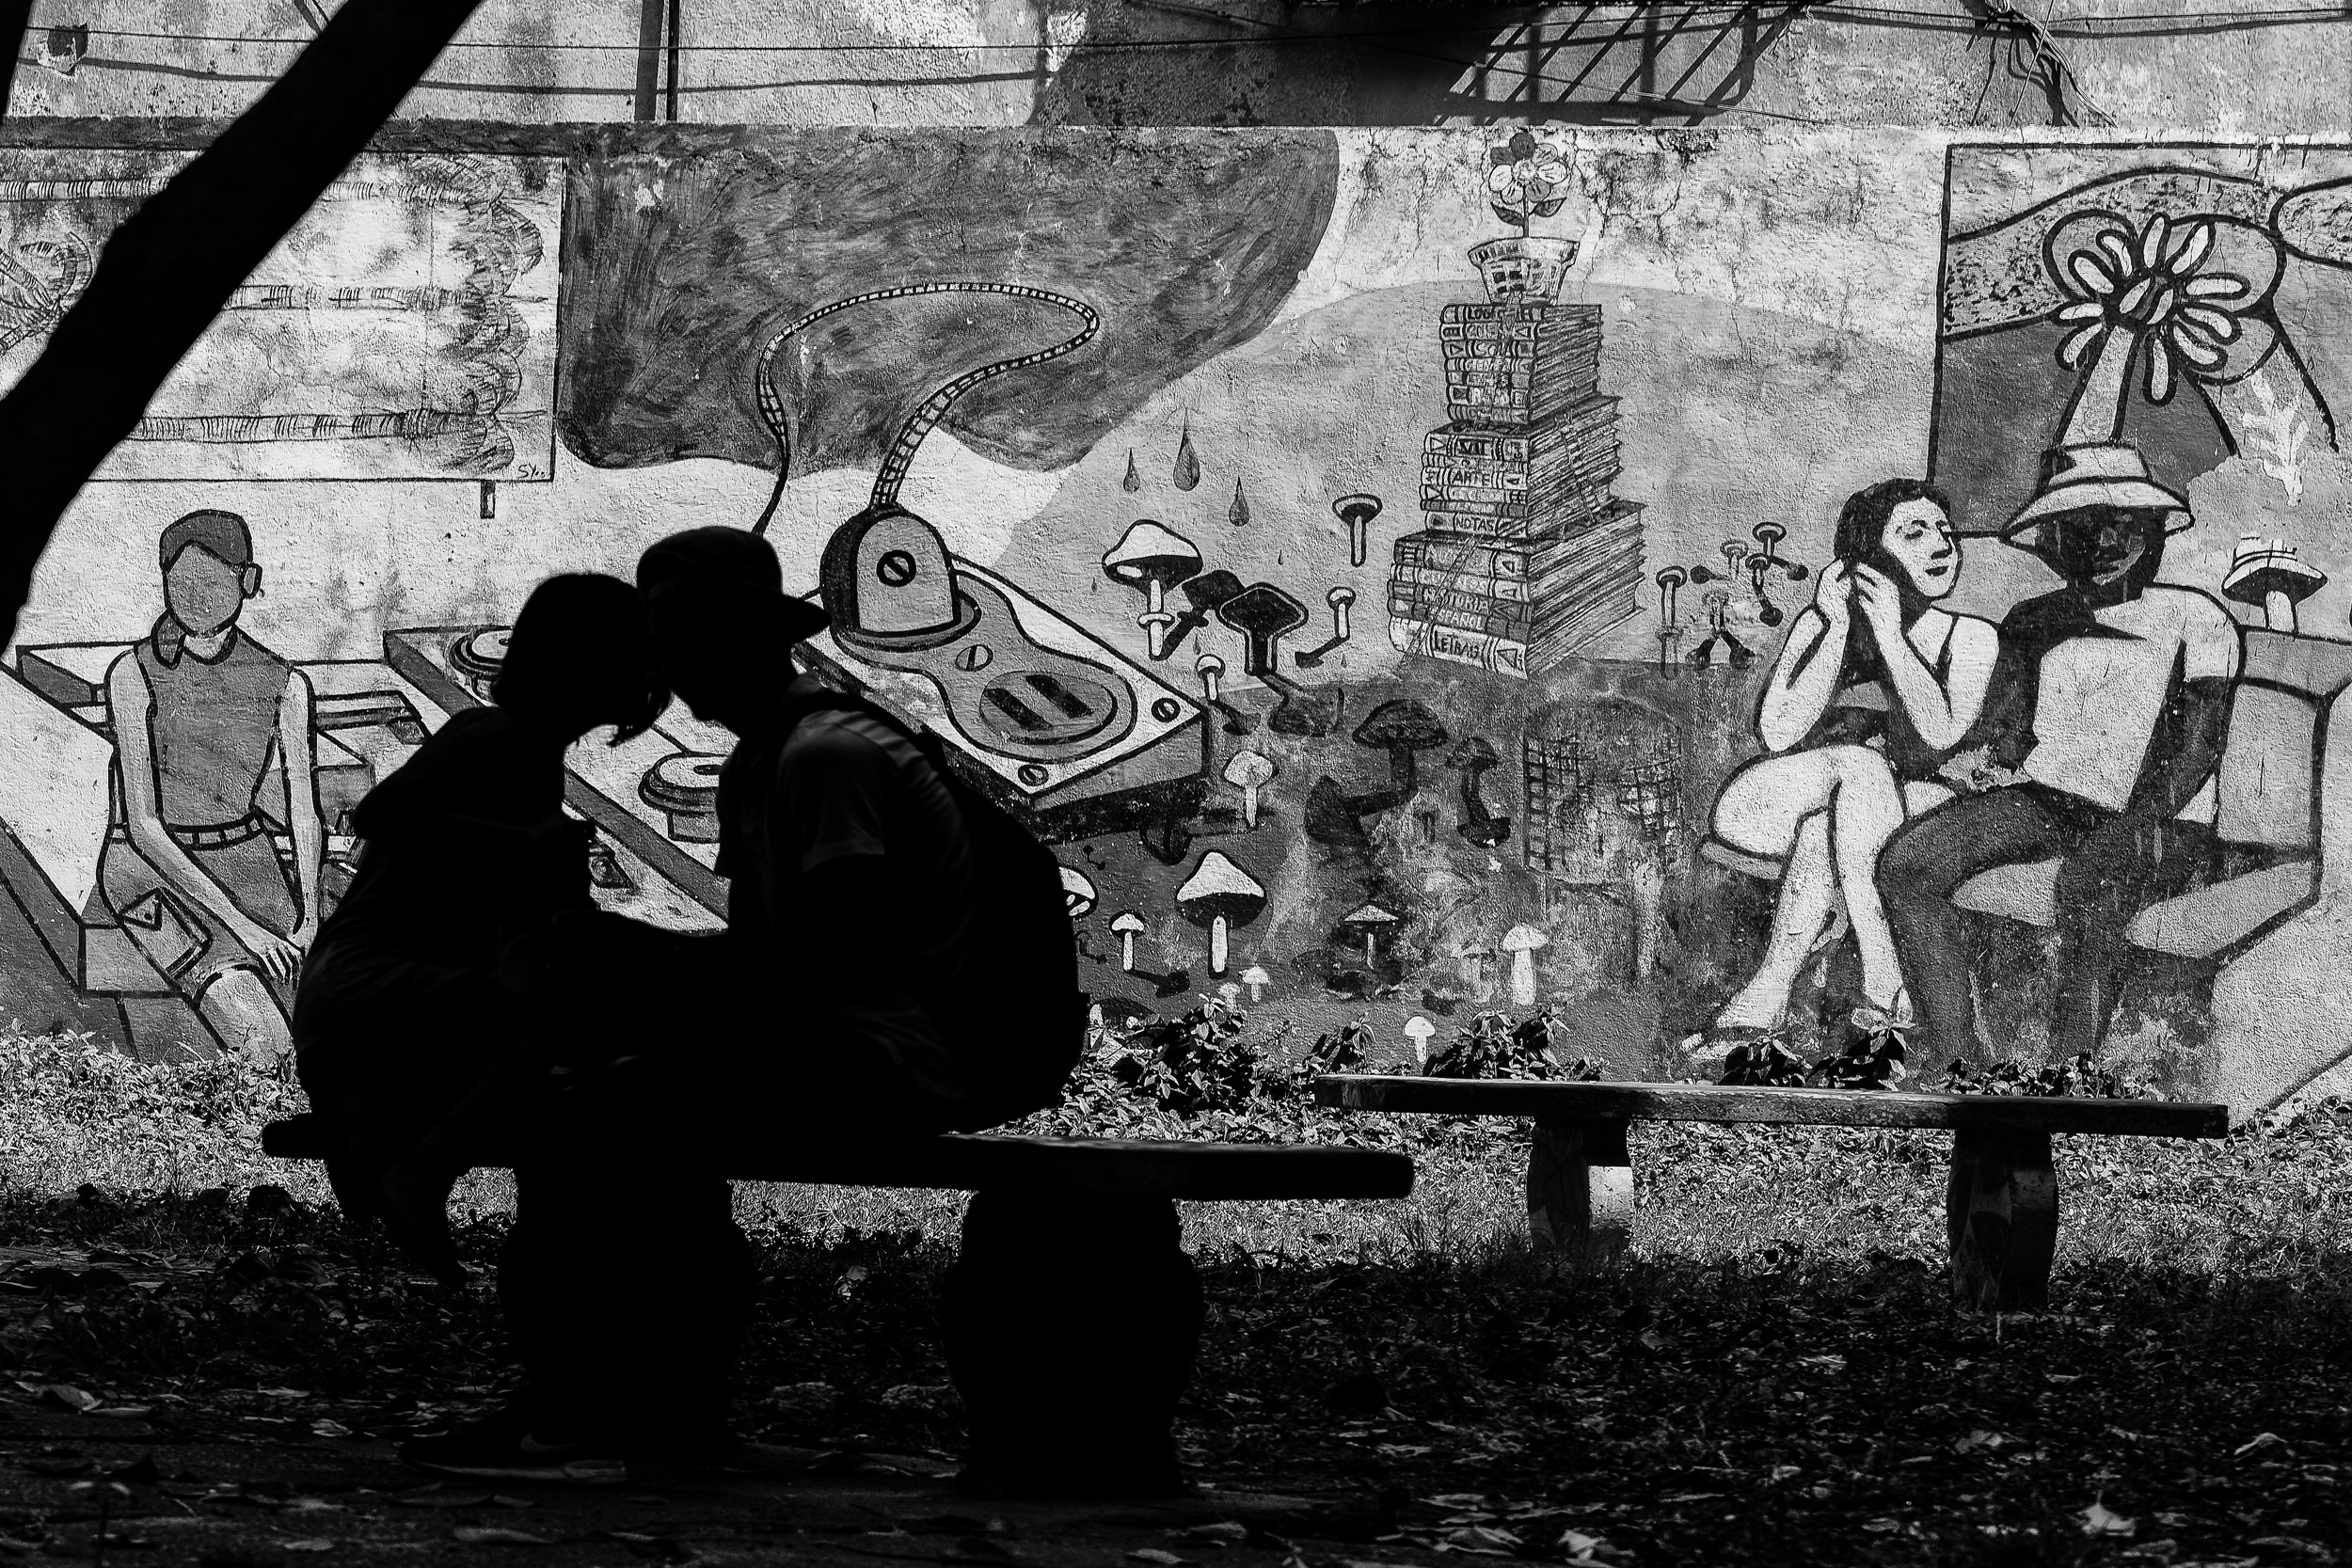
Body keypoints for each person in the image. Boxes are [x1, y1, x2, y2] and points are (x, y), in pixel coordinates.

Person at [400, 526, 984, 1481]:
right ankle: (638, 1409)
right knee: (590, 1087)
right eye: (662, 647)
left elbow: (836, 957)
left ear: (746, 642)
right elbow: (767, 963)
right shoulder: (766, 756)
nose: (669, 670)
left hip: (890, 1057)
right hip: (833, 1036)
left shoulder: (821, 756)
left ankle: (584, 1405)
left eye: (682, 644)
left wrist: (645, 960)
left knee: (601, 1107)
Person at [292, 574, 667, 1283]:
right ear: (589, 662)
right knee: (582, 1021)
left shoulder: (529, 750)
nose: (653, 671)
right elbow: (381, 811)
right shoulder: (501, 735)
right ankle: (418, 1166)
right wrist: (527, 845)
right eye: (638, 652)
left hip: (366, 1002)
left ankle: (376, 1115)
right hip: (372, 993)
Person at [1878, 443, 2238, 1064]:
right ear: (2054, 541)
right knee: (1906, 864)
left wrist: (2138, 824)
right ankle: (1960, 1058)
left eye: (2122, 523)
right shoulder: (2031, 619)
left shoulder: (2197, 617)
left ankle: (2070, 1072)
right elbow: (2011, 727)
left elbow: (2199, 743)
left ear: (2154, 528)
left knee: (2093, 881)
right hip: (2048, 803)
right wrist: (1979, 761)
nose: (2102, 541)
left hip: (2162, 818)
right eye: (2080, 527)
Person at [1699, 479, 2000, 1051]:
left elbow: (1940, 732)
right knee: (1856, 770)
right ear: (1867, 558)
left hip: (1907, 808)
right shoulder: (1822, 623)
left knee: (1831, 823)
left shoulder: (1972, 638)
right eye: (1915, 533)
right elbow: (1778, 732)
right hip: (1781, 802)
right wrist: (1836, 626)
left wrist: (1890, 633)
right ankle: (1885, 976)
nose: (1942, 545)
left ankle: (1767, 994)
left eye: (1945, 531)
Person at [103, 510, 326, 1066]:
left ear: (246, 581)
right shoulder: (132, 674)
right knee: (266, 1044)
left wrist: (311, 917)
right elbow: (144, 827)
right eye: (180, 581)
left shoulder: (285, 683)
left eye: (209, 579)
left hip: (248, 860)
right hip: (151, 872)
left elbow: (304, 812)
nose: (193, 595)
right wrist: (244, 926)